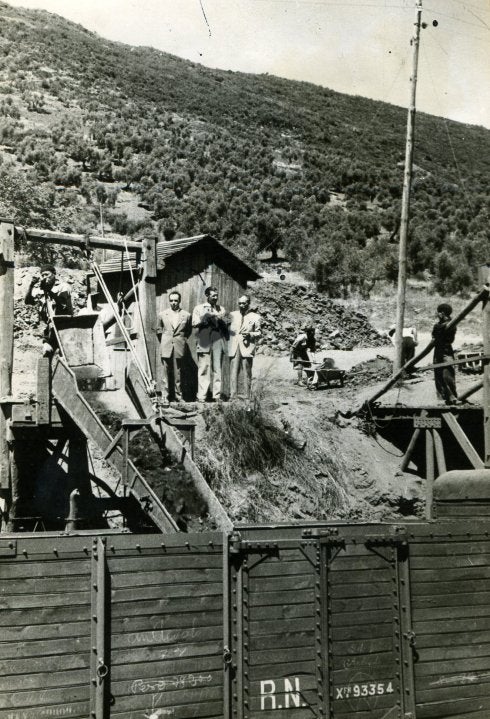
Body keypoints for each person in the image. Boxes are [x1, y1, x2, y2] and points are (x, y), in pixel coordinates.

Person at [25, 264, 73, 357]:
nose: (44, 277)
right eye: (42, 275)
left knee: (66, 356)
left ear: (54, 274)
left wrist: (49, 291)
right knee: (47, 353)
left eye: (46, 274)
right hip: (50, 328)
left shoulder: (63, 287)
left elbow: (62, 307)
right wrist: (31, 286)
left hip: (65, 326)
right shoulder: (42, 290)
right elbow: (28, 301)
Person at [192, 286, 228, 402]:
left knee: (217, 367)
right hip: (204, 339)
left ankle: (216, 396)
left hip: (217, 339)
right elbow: (194, 323)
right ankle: (202, 396)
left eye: (217, 296)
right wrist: (205, 319)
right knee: (204, 367)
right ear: (207, 296)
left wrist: (221, 320)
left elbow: (225, 323)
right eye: (213, 296)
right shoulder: (199, 308)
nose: (215, 298)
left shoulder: (221, 309)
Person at [157, 291, 191, 402]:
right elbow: (159, 330)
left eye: (176, 300)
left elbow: (188, 331)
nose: (173, 303)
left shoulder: (186, 315)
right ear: (169, 301)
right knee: (165, 372)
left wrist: (180, 340)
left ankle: (178, 396)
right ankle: (165, 396)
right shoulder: (162, 314)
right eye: (171, 300)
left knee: (178, 372)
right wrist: (165, 340)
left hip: (179, 345)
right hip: (166, 345)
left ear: (179, 301)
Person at [228, 295, 262, 400]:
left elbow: (259, 332)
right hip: (234, 346)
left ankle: (247, 396)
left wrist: (250, 334)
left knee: (247, 372)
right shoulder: (232, 315)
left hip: (247, 347)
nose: (241, 305)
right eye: (240, 303)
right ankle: (233, 396)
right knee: (233, 371)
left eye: (244, 303)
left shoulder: (255, 317)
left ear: (248, 304)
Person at [432, 303, 458, 404]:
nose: (437, 314)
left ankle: (452, 397)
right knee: (438, 375)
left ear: (442, 313)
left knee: (448, 374)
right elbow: (435, 333)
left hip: (446, 351)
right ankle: (442, 398)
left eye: (438, 312)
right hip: (438, 350)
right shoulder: (439, 325)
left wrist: (439, 331)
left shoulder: (451, 324)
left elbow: (443, 334)